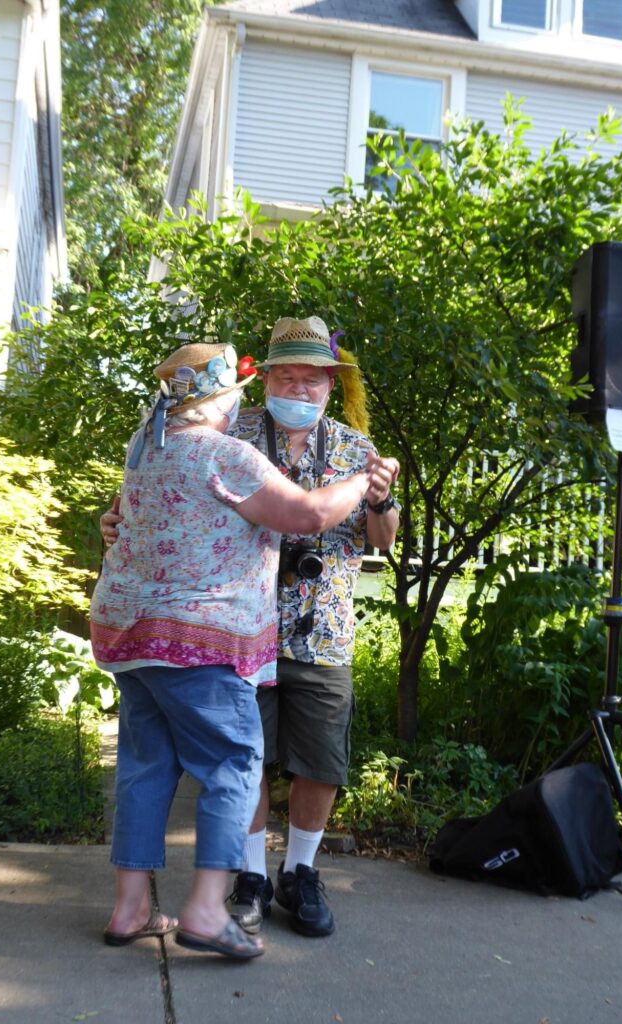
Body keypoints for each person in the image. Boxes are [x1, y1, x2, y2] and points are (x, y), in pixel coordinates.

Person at [101, 317, 399, 940]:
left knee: (316, 760)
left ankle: (299, 872)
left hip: (314, 630)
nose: (297, 386)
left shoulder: (354, 448)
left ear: (330, 383)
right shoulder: (230, 436)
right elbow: (305, 513)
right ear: (258, 384)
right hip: (229, 634)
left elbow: (383, 540)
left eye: (310, 378)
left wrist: (378, 500)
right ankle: (245, 881)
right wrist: (115, 523)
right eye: (284, 375)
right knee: (243, 763)